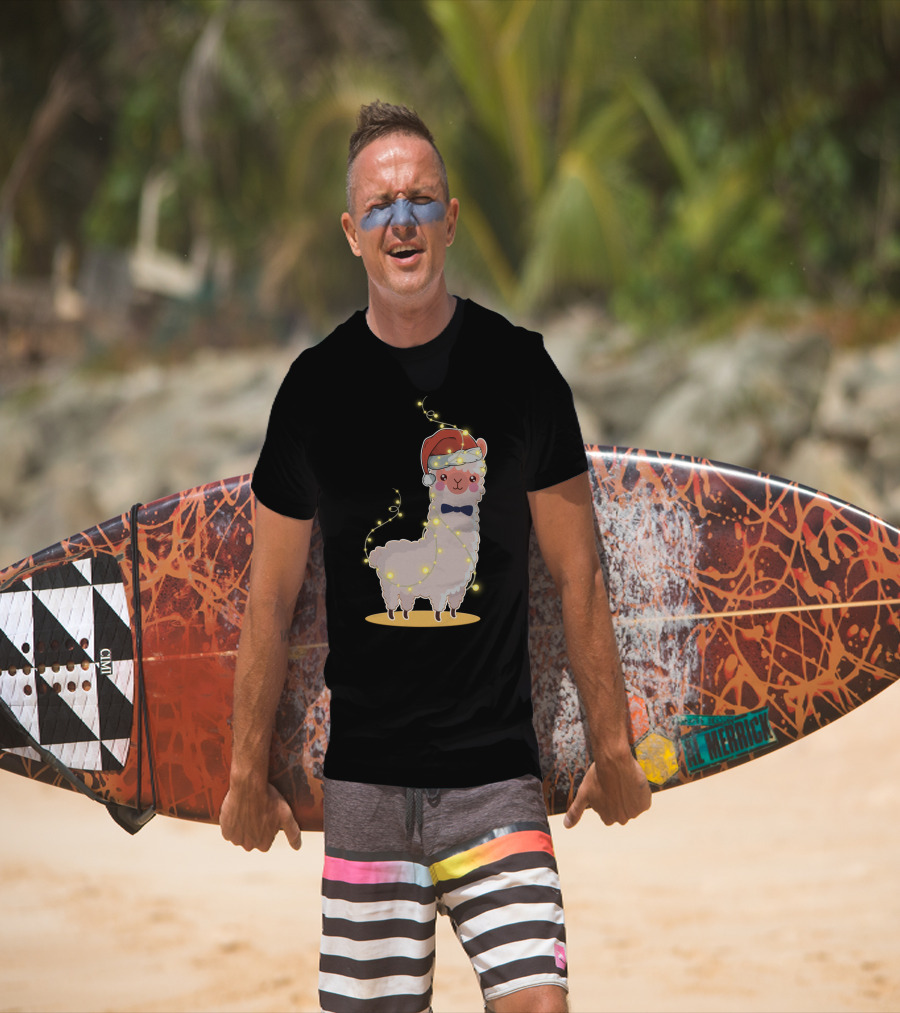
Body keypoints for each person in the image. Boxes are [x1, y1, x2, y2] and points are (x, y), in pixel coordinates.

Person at [220, 100, 651, 1013]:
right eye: (380, 206)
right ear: (351, 233)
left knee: (540, 1003)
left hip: (496, 780)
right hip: (367, 789)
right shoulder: (312, 391)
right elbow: (269, 601)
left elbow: (579, 574)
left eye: (421, 200)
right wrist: (242, 773)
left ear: (451, 219)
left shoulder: (522, 372)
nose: (402, 220)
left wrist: (612, 746)